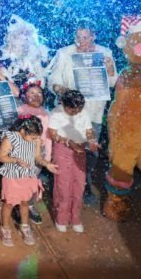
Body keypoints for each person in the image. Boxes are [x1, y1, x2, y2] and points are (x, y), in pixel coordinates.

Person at [46, 19, 117, 206]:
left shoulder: (105, 53)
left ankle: (83, 182)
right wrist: (61, 89)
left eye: (85, 37)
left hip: (93, 113)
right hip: (70, 112)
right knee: (65, 149)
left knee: (90, 151)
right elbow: (52, 79)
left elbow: (113, 82)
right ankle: (61, 185)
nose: (81, 41)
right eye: (78, 37)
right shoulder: (65, 53)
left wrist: (110, 68)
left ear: (93, 36)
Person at [0, 116, 58, 247]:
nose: (35, 140)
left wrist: (47, 164)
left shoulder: (35, 139)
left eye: (37, 137)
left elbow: (37, 157)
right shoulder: (11, 138)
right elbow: (1, 157)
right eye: (33, 137)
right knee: (8, 203)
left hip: (27, 176)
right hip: (12, 176)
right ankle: (5, 228)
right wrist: (16, 160)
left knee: (25, 202)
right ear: (23, 131)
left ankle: (24, 226)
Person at [48, 90, 97, 233]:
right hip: (63, 150)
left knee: (79, 185)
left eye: (79, 109)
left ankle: (75, 218)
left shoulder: (83, 112)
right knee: (63, 185)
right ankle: (61, 218)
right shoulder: (56, 113)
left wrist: (92, 141)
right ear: (64, 104)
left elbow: (89, 131)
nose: (76, 112)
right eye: (72, 109)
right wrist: (68, 142)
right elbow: (53, 134)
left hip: (80, 151)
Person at [14, 78, 49, 225]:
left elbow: (47, 137)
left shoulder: (45, 114)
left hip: (38, 154)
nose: (36, 96)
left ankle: (29, 205)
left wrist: (47, 156)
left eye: (39, 93)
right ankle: (17, 205)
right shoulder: (20, 111)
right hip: (22, 153)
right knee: (20, 180)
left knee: (33, 180)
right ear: (24, 96)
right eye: (32, 93)